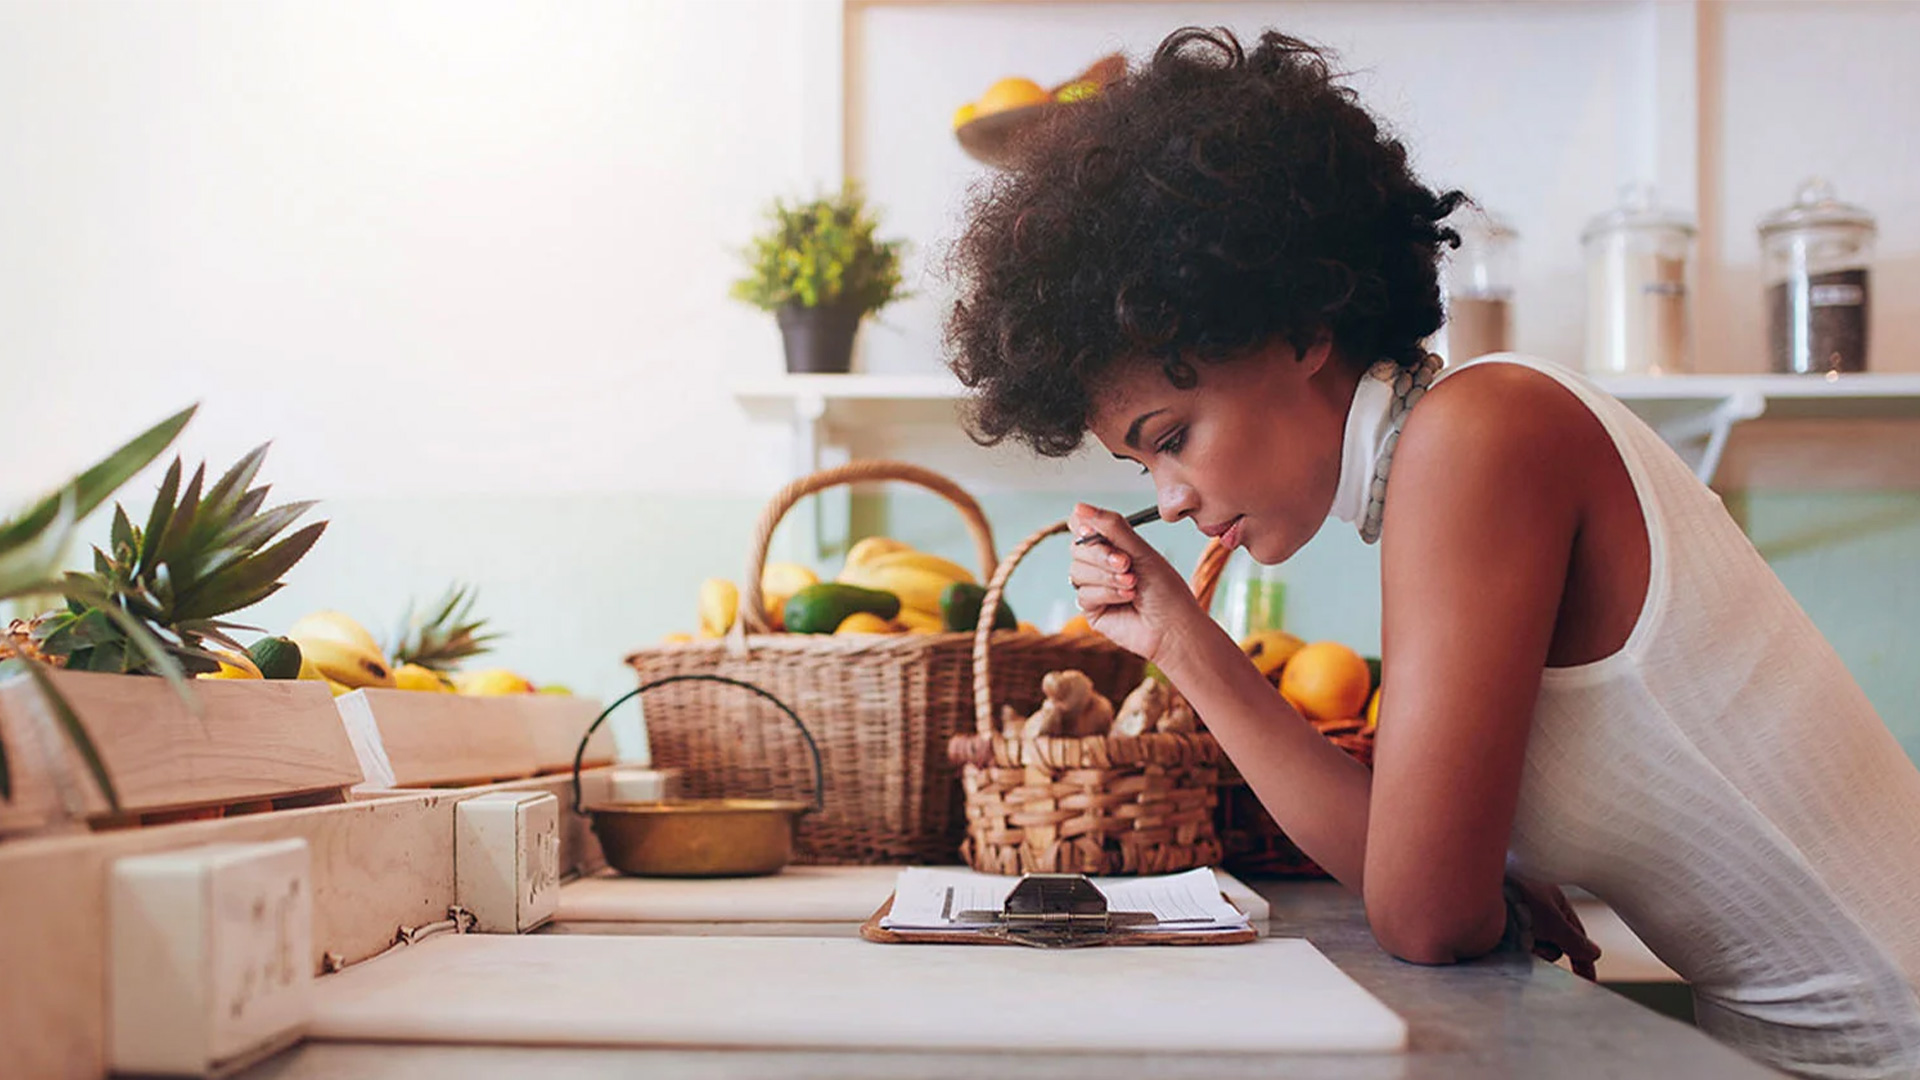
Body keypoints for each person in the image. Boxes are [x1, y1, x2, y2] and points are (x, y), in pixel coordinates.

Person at [942, 26, 1920, 1080]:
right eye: (1144, 470)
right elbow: (1430, 872)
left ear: (1300, 331)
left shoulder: (1480, 436)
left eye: (1172, 438)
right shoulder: (1447, 454)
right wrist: (1180, 639)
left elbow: (1423, 913)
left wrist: (1195, 651)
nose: (1172, 502)